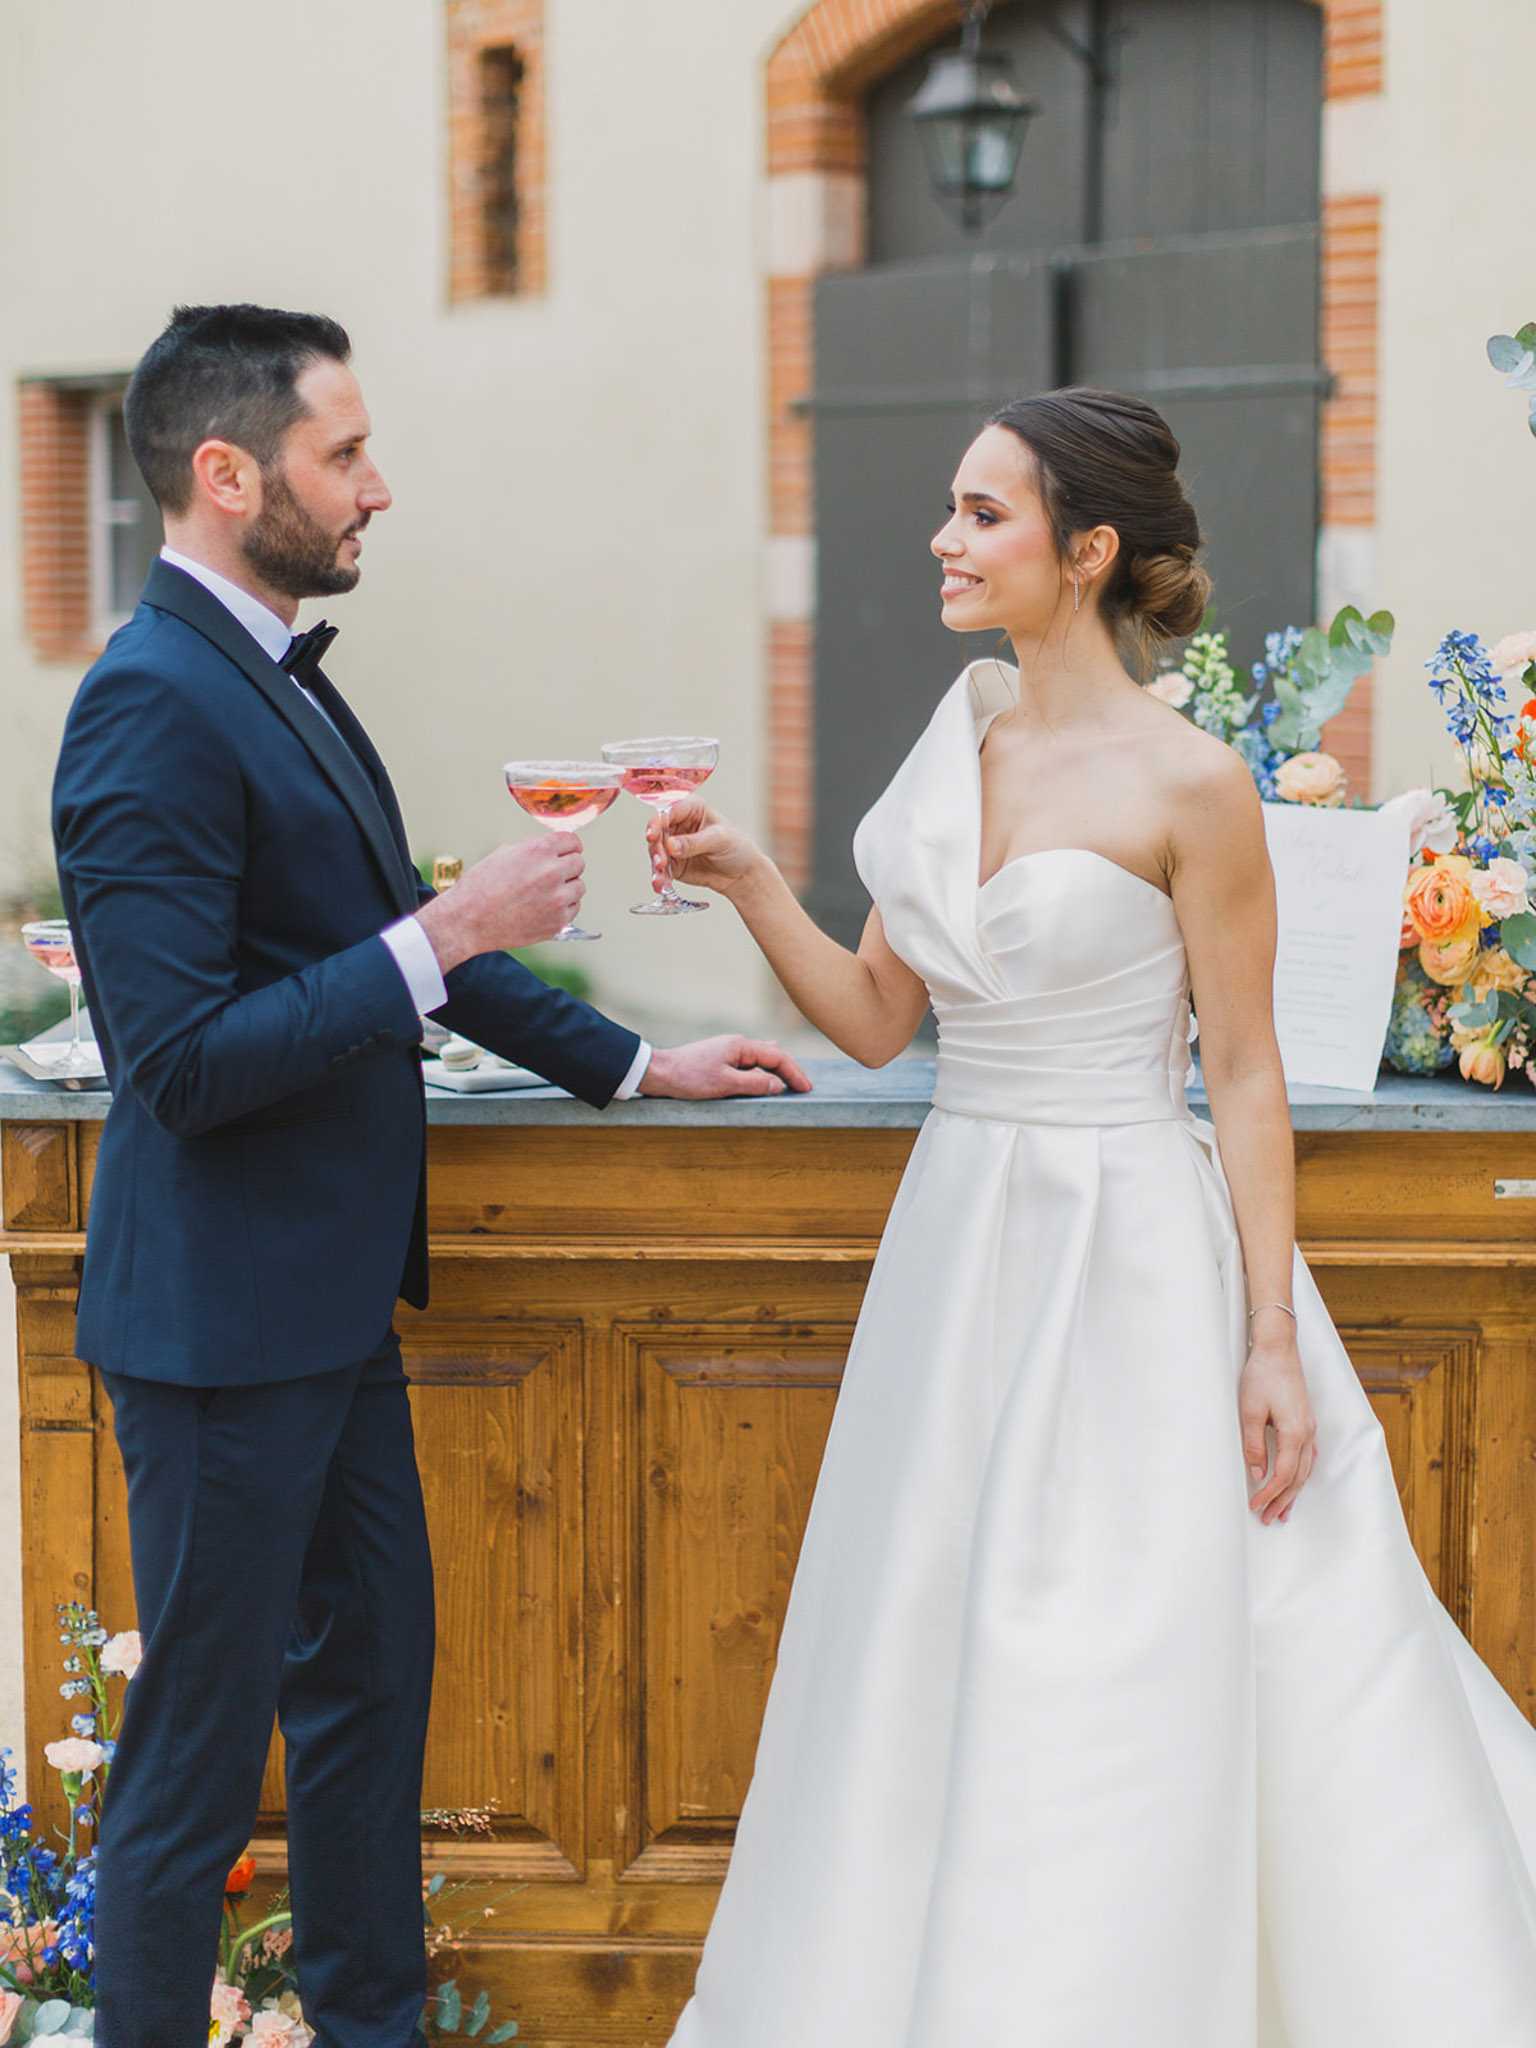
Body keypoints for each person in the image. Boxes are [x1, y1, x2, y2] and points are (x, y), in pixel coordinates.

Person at [652, 387, 1536, 2045]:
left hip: (1130, 1250)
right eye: (954, 506)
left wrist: (1271, 1338)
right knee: (921, 1638)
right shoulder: (958, 746)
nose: (944, 537)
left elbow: (1250, 1078)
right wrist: (746, 878)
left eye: (983, 513)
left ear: (1089, 549)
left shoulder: (1194, 786)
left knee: (1118, 1656)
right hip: (957, 1249)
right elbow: (872, 1021)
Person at [51, 302, 810, 2048]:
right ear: (229, 474)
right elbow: (177, 1063)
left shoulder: (279, 676)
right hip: (218, 1332)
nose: (379, 488)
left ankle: (370, 2032)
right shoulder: (150, 704)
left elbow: (404, 945)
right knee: (190, 1769)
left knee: (371, 1699)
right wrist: (446, 927)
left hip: (325, 1314)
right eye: (346, 454)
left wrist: (634, 1061)